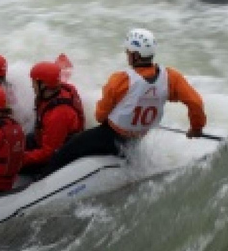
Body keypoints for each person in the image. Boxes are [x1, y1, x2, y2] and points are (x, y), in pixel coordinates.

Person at [45, 28, 207, 173]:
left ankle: (43, 176)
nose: (127, 55)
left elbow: (100, 116)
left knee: (67, 150)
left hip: (110, 138)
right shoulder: (171, 77)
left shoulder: (121, 79)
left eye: (128, 52)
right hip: (136, 141)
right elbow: (196, 103)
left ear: (135, 55)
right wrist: (196, 127)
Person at [20, 61, 85, 177]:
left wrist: (21, 159)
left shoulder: (58, 114)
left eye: (34, 82)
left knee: (14, 166)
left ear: (43, 85)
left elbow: (48, 152)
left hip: (58, 152)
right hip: (47, 138)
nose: (32, 86)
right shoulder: (60, 90)